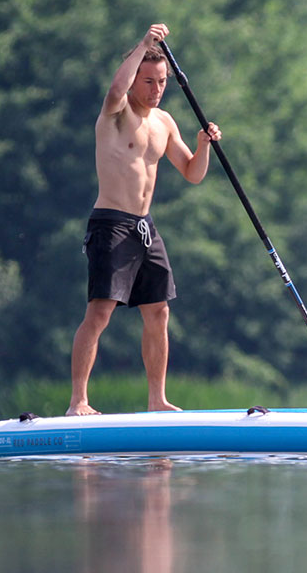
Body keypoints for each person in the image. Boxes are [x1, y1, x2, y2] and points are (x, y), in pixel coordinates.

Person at [66, 23, 221, 416]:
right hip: (111, 224)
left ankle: (157, 399)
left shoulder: (165, 123)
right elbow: (116, 89)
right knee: (100, 313)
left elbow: (192, 173)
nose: (156, 89)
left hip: (144, 227)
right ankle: (78, 401)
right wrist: (144, 44)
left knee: (159, 311)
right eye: (149, 81)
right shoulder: (116, 113)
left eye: (162, 82)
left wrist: (203, 146)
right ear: (135, 78)